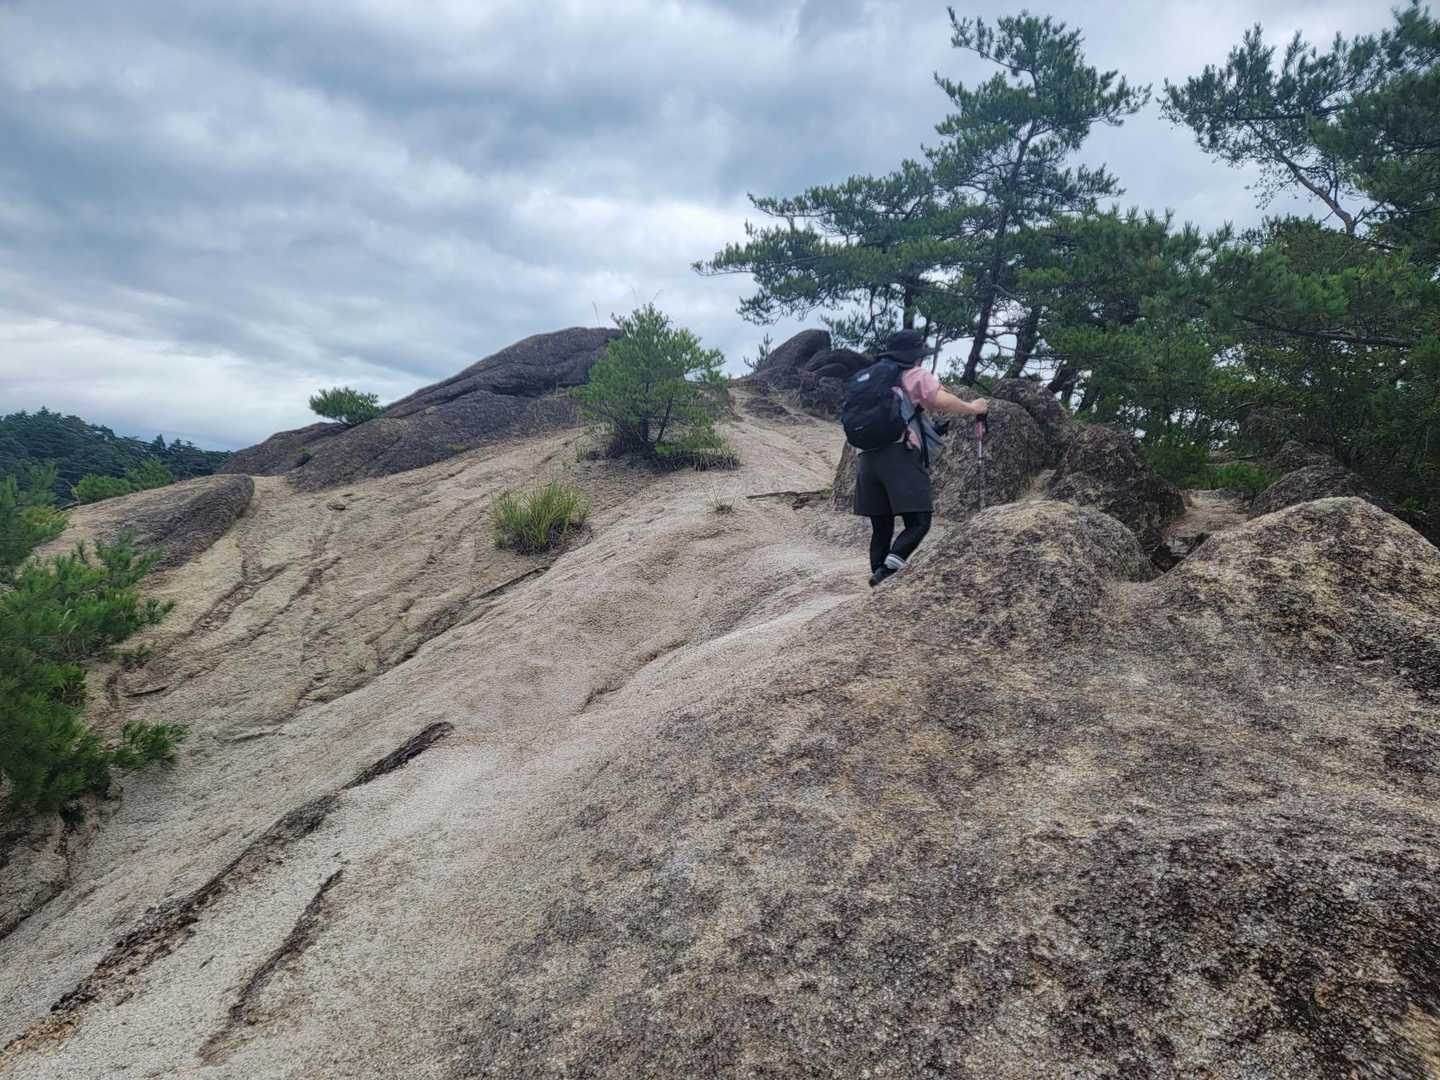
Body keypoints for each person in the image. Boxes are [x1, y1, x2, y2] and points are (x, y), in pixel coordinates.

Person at [851, 329, 988, 587]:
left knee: (882, 526)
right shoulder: (913, 374)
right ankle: (886, 573)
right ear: (915, 356)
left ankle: (879, 580)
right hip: (898, 455)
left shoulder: (871, 378)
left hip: (866, 458)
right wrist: (973, 408)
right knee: (919, 521)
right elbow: (942, 401)